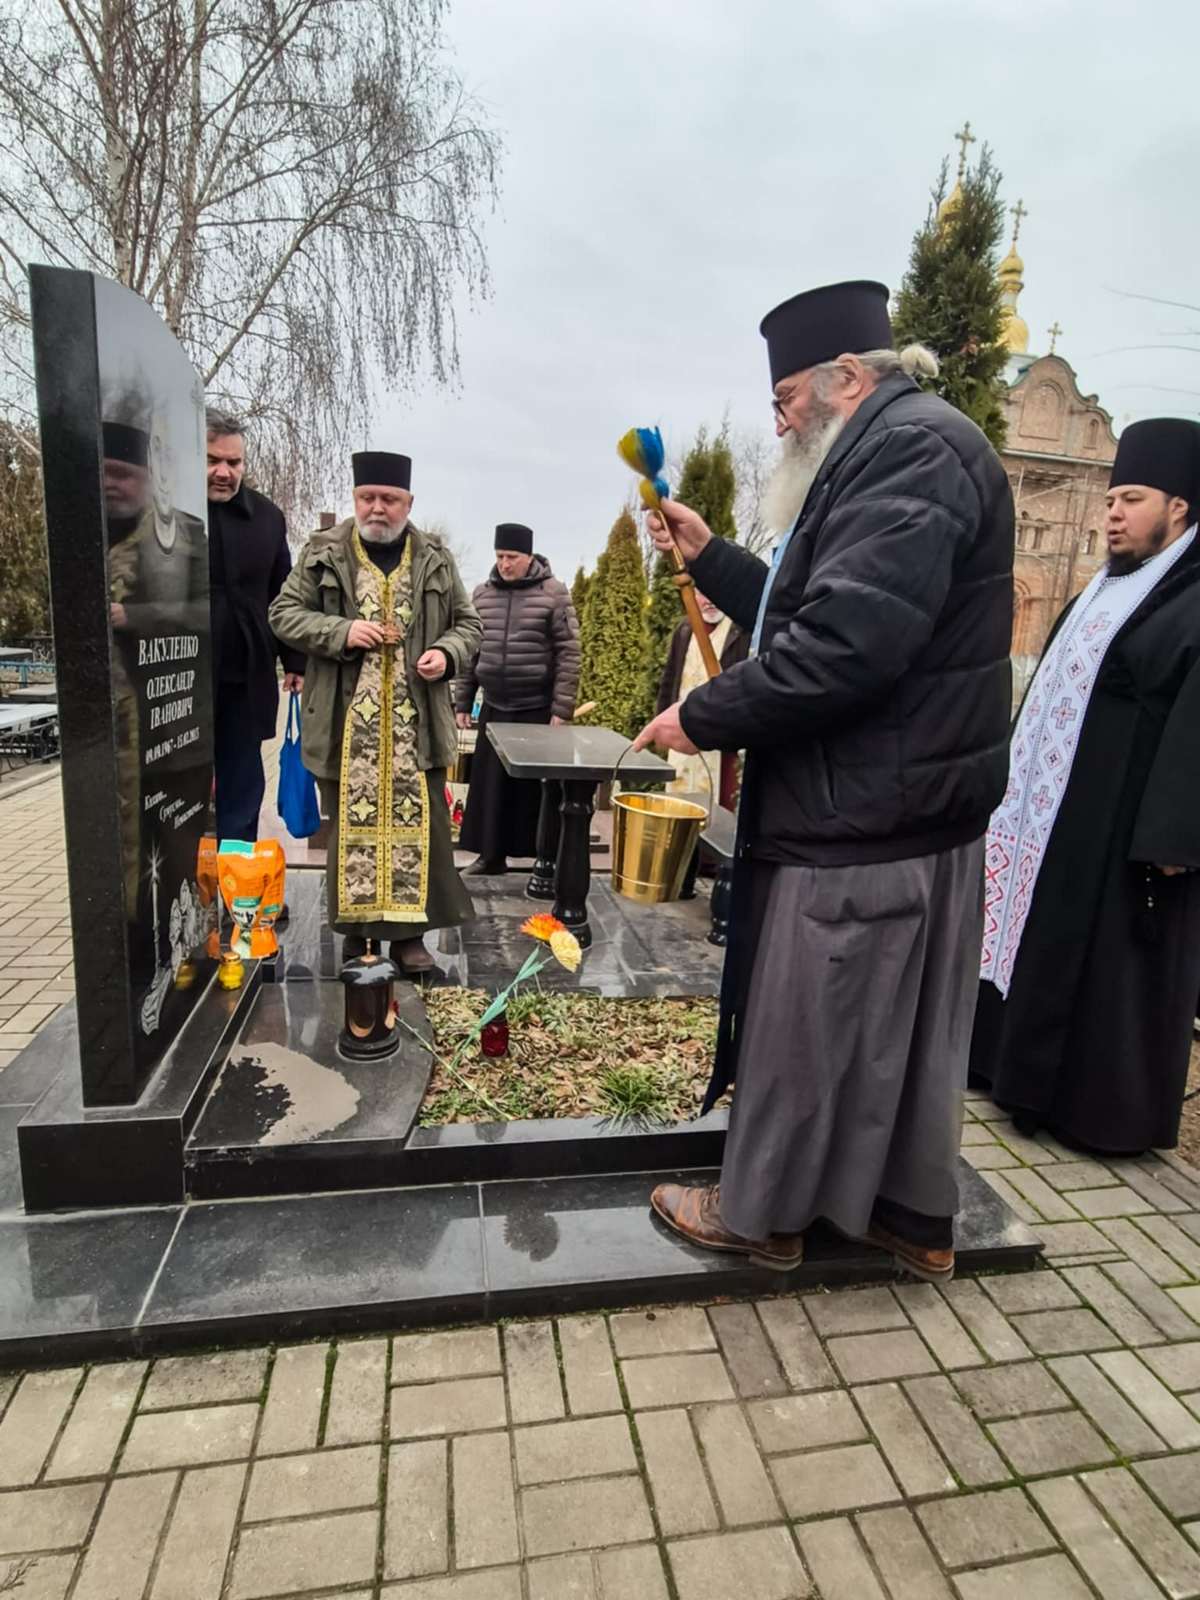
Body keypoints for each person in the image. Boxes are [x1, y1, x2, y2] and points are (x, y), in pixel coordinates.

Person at [633, 279, 1014, 1280]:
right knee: (892, 1042)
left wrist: (700, 716)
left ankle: (760, 1214)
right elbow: (814, 611)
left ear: (849, 378)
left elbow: (843, 648)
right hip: (901, 805)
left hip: (864, 811)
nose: (781, 422)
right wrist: (711, 554)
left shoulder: (909, 453)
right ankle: (902, 1212)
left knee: (811, 1023)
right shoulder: (898, 446)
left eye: (788, 399)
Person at [970, 418, 1200, 1155]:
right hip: (1058, 812)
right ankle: (1000, 1065)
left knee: (1109, 969)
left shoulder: (1190, 597)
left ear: (1180, 509)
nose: (1112, 512)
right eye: (1110, 499)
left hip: (1130, 829)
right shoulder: (1108, 588)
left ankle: (1091, 1113)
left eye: (1132, 498)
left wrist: (1172, 834)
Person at [269, 450, 482, 976]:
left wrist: (446, 653)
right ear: (355, 499)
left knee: (421, 830)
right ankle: (358, 937)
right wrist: (342, 632)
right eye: (368, 498)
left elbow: (469, 624)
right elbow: (283, 614)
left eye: (389, 499)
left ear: (408, 502)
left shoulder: (435, 557)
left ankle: (410, 940)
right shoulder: (323, 553)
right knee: (351, 831)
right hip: (347, 725)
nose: (378, 508)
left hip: (416, 726)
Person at [455, 523, 580, 874]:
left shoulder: (554, 593)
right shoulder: (482, 594)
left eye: (512, 557)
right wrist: (463, 702)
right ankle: (490, 856)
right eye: (499, 556)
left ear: (529, 557)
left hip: (536, 708)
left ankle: (542, 859)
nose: (505, 564)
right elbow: (470, 652)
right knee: (490, 789)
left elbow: (569, 653)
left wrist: (561, 709)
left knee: (534, 792)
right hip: (494, 705)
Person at [205, 409, 305, 846]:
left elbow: (284, 593)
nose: (225, 472)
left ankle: (238, 890)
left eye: (234, 462)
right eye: (212, 460)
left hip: (246, 675)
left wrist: (295, 660)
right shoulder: (163, 508)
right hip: (179, 678)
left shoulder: (267, 517)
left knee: (243, 787)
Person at [655, 592, 748, 810]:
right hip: (683, 733)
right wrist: (661, 719)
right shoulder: (685, 629)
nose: (710, 600)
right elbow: (670, 677)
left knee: (720, 808)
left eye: (714, 593)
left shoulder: (740, 631)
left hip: (723, 741)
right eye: (702, 594)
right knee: (677, 804)